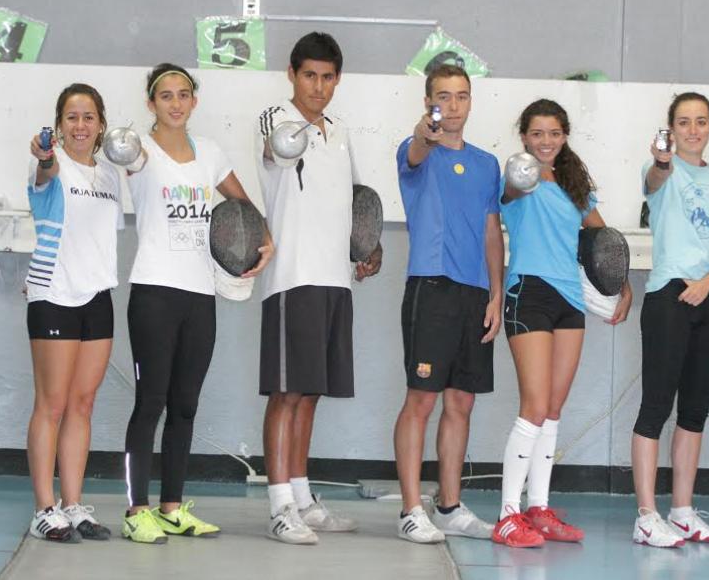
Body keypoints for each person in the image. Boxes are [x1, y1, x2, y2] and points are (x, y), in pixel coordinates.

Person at [122, 63, 273, 544]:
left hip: (199, 295)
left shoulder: (209, 153)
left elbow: (242, 205)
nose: (175, 103)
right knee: (152, 402)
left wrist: (265, 239)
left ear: (193, 101)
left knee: (185, 404)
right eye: (164, 95)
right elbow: (106, 156)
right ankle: (136, 510)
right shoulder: (138, 151)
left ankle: (170, 507)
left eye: (183, 94)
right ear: (151, 103)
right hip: (153, 292)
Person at [255, 32, 382, 545]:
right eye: (310, 75)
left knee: (311, 394)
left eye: (328, 77)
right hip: (291, 278)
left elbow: (356, 200)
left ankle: (304, 498)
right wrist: (296, 130)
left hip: (334, 281)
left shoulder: (342, 132)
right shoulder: (274, 119)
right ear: (292, 74)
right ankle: (279, 504)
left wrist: (369, 247)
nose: (319, 86)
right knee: (285, 393)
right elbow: (275, 152)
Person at [491, 99, 632, 548]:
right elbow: (510, 192)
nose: (545, 141)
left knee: (552, 409)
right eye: (537, 133)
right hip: (526, 294)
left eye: (553, 133)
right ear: (524, 137)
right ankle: (508, 515)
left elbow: (602, 241)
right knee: (533, 407)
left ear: (565, 136)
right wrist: (520, 175)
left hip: (569, 300)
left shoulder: (575, 186)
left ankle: (539, 507)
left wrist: (620, 285)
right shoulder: (518, 177)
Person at [629, 92, 709, 548]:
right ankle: (645, 515)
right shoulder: (662, 170)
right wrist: (661, 161)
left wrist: (707, 283)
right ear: (671, 129)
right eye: (683, 122)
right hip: (669, 298)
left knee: (694, 412)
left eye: (700, 122)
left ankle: (681, 510)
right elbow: (656, 178)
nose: (692, 129)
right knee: (656, 407)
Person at [392, 64, 502, 544]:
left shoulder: (487, 164)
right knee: (422, 400)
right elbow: (418, 146)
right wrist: (425, 133)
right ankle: (411, 509)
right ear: (427, 102)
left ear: (471, 101)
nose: (452, 105)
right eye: (443, 96)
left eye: (461, 96)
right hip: (431, 287)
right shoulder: (416, 150)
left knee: (462, 401)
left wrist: (496, 293)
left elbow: (491, 230)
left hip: (475, 293)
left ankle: (450, 505)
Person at [25, 83, 123, 543]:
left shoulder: (108, 176)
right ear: (59, 127)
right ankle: (44, 508)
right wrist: (44, 155)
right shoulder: (52, 165)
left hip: (97, 297)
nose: (80, 125)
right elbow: (43, 168)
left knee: (83, 405)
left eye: (88, 117)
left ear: (101, 124)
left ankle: (73, 504)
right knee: (53, 405)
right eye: (71, 117)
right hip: (54, 293)